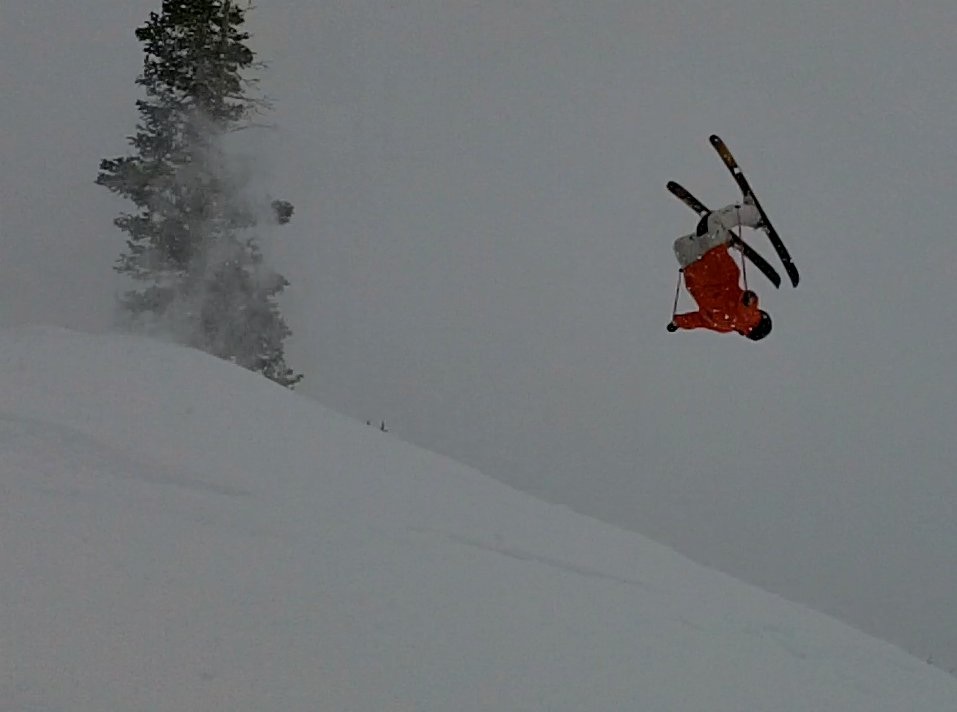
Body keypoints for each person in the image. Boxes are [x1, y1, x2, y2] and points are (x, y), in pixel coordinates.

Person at [667, 200, 772, 341]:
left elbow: (698, 321)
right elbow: (748, 311)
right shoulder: (742, 319)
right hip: (715, 265)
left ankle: (723, 237)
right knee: (712, 222)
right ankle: (753, 215)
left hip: (695, 268)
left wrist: (678, 322)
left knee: (680, 245)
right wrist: (749, 301)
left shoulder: (723, 326)